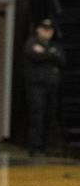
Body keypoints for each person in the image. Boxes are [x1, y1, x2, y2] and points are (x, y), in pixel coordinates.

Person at [23, 18, 65, 156]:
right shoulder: (31, 43)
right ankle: (34, 147)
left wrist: (45, 53)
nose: (47, 32)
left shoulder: (56, 45)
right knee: (37, 115)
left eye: (49, 29)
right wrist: (50, 54)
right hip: (36, 86)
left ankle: (45, 146)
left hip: (52, 86)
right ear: (38, 29)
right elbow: (34, 55)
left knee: (49, 115)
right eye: (44, 28)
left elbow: (61, 59)